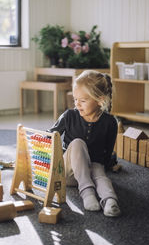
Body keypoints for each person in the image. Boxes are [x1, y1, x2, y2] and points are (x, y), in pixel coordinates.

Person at [48, 70, 121, 217]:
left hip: (92, 170)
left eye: (83, 101)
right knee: (77, 143)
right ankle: (87, 193)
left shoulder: (110, 122)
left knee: (98, 169)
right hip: (68, 173)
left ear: (100, 100)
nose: (77, 104)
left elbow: (106, 153)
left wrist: (109, 164)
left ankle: (110, 201)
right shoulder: (69, 116)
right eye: (75, 99)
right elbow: (51, 136)